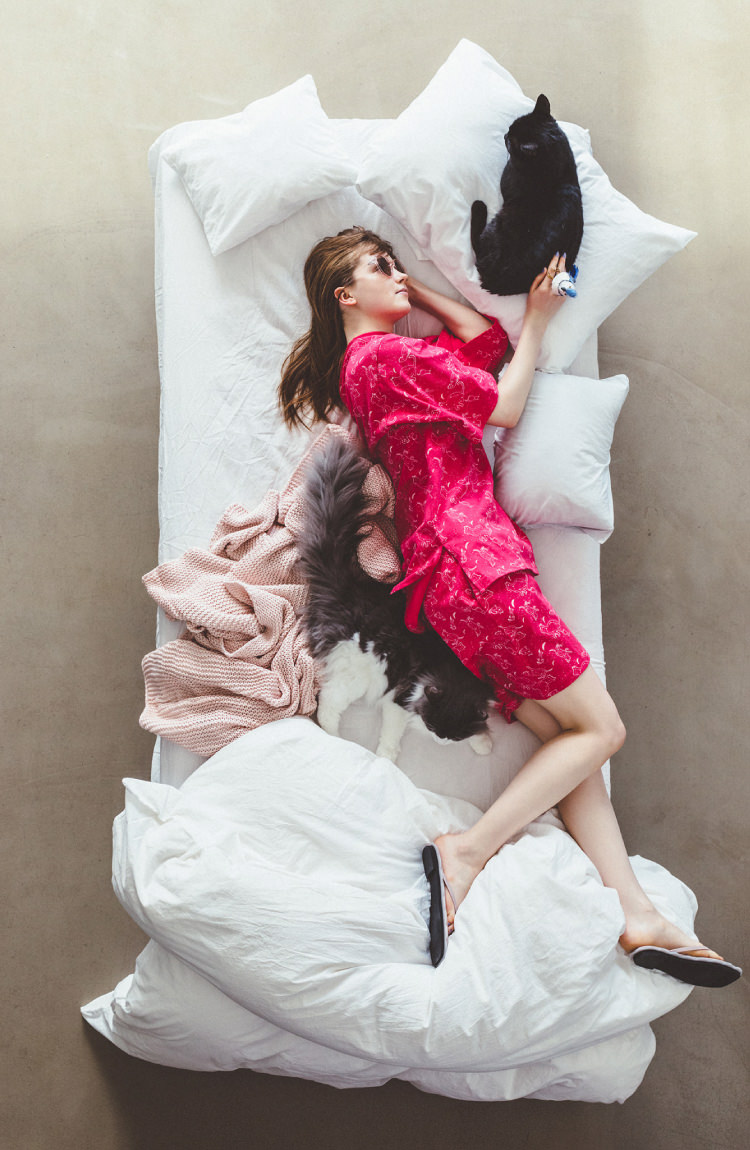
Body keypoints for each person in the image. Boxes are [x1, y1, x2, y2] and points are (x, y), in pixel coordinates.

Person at [279, 226, 740, 986]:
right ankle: (465, 853)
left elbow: (483, 344)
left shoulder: (380, 366)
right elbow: (506, 402)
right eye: (381, 266)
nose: (397, 274)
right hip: (477, 564)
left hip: (452, 583)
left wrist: (419, 292)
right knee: (603, 728)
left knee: (571, 743)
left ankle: (636, 912)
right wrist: (541, 320)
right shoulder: (387, 357)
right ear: (344, 293)